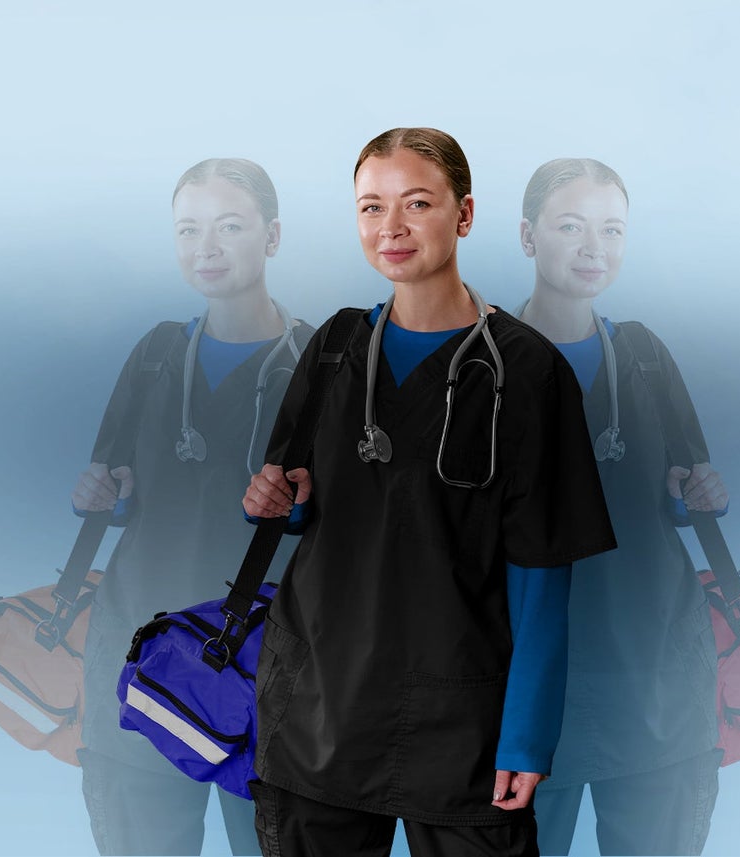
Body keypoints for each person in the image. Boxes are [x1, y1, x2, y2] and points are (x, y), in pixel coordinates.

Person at [239, 128, 617, 857]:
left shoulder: (527, 372)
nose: (393, 228)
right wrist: (270, 499)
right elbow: (291, 499)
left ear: (465, 214)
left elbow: (544, 575)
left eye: (418, 203)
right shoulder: (335, 346)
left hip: (464, 724)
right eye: (372, 208)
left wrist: (529, 733)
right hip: (318, 708)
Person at [70, 158, 311, 856]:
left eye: (229, 225)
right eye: (188, 229)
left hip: (271, 675)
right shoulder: (154, 355)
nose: (205, 245)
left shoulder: (325, 362)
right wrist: (100, 498)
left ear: (271, 236)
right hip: (143, 666)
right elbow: (113, 485)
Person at [512, 158, 731, 855]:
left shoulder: (640, 354)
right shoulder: (477, 361)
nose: (592, 247)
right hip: (525, 692)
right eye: (570, 225)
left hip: (652, 681)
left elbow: (683, 482)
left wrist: (697, 493)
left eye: (611, 229)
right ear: (528, 236)